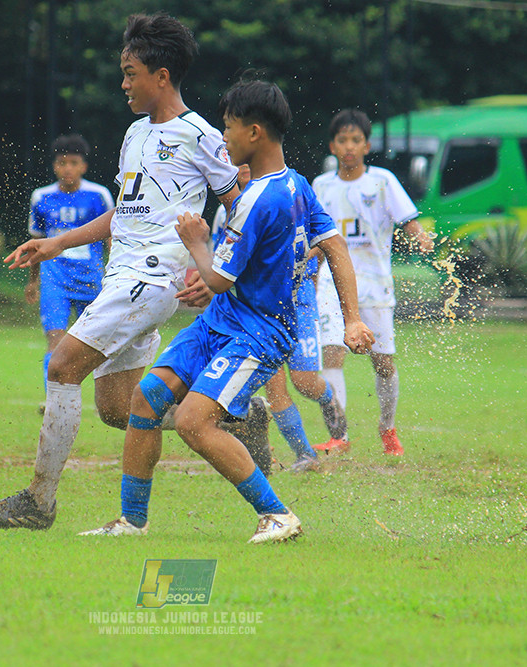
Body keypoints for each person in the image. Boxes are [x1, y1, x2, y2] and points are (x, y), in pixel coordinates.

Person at [0, 12, 246, 531]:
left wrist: (213, 271)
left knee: (60, 366)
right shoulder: (134, 134)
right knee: (121, 410)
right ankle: (222, 413)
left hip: (152, 278)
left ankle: (37, 502)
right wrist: (55, 242)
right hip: (122, 275)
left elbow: (240, 204)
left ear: (160, 77)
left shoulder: (199, 135)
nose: (123, 84)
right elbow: (124, 210)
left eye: (130, 72)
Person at [79, 78, 374, 543]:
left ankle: (277, 514)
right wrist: (353, 316)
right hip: (222, 321)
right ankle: (131, 521)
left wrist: (197, 244)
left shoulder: (257, 199)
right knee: (146, 398)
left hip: (258, 334)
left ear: (254, 133)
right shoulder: (294, 184)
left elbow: (217, 278)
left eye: (229, 128)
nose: (222, 138)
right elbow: (334, 246)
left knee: (194, 422)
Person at [311, 109, 434, 457]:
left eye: (355, 140)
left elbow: (408, 220)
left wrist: (421, 237)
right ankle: (339, 433)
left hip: (374, 286)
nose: (349, 147)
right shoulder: (322, 186)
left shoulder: (382, 181)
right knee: (331, 353)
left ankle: (387, 427)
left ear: (366, 146)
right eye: (342, 140)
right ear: (333, 146)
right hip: (331, 286)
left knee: (382, 362)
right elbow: (317, 240)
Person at [211, 169, 346, 473]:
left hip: (298, 302)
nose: (241, 168)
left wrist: (299, 264)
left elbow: (323, 241)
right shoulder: (226, 212)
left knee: (305, 381)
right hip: (260, 308)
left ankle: (327, 398)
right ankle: (306, 455)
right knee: (275, 386)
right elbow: (221, 259)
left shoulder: (288, 195)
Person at [26, 134, 113, 392]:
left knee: (100, 341)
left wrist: (114, 275)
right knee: (55, 338)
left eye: (74, 163)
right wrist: (33, 281)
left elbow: (110, 239)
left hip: (92, 277)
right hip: (55, 279)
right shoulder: (41, 197)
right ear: (54, 166)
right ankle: (52, 398)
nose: (68, 169)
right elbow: (36, 244)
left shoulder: (99, 195)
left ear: (84, 166)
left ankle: (106, 398)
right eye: (62, 163)